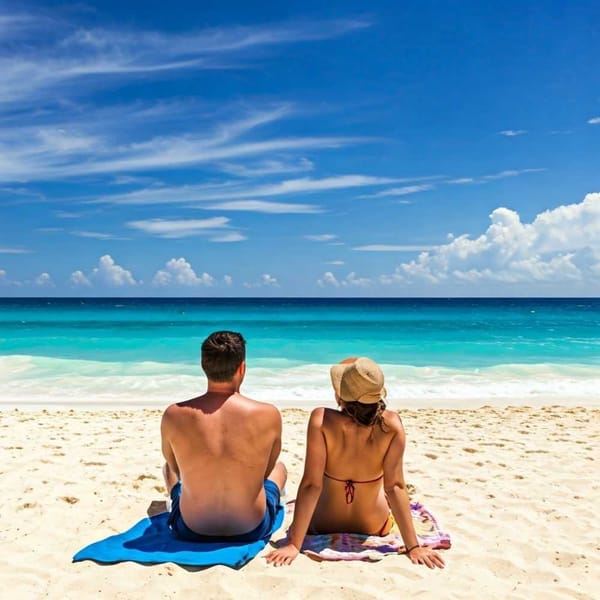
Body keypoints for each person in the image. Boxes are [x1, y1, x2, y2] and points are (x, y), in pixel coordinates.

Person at [266, 357, 445, 568]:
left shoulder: (321, 420)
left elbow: (311, 485)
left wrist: (294, 544)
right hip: (373, 525)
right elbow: (394, 486)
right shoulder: (393, 425)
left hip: (322, 523)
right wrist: (413, 546)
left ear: (340, 394)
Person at [161, 330, 286, 542]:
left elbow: (175, 467)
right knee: (279, 468)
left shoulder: (173, 414)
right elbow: (265, 472)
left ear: (203, 366)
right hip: (251, 527)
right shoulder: (268, 415)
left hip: (191, 529)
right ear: (242, 368)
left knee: (167, 469)